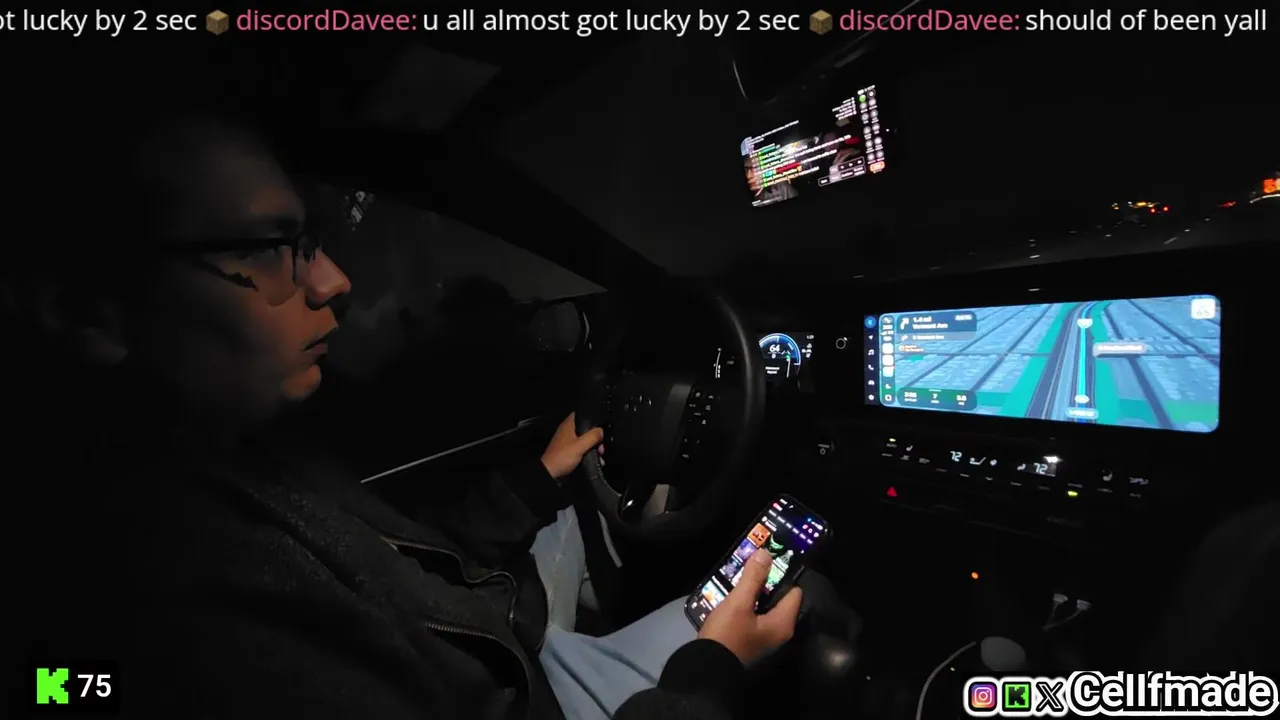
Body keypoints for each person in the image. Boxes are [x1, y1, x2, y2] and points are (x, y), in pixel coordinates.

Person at [6, 103, 803, 719]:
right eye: (263, 247)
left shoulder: (234, 458)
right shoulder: (183, 609)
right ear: (87, 311)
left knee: (571, 519)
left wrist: (537, 479)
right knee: (809, 597)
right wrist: (708, 675)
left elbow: (408, 566)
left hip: (512, 649)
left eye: (310, 239)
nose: (334, 281)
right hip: (539, 694)